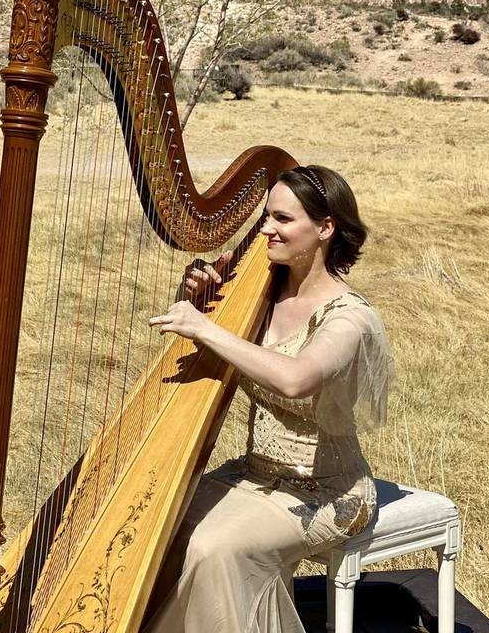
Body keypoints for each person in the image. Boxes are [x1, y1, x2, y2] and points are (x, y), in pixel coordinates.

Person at [143, 165, 395, 633]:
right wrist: (198, 304)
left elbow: (295, 380)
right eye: (265, 217)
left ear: (325, 228)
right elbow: (220, 358)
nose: (265, 230)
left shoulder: (349, 317)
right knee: (155, 526)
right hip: (254, 474)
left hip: (327, 491)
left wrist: (206, 327)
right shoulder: (259, 293)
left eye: (282, 219)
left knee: (214, 547)